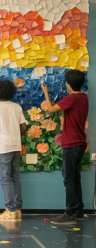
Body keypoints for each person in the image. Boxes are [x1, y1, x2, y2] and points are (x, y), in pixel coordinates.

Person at [41, 69, 89, 225]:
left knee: (69, 180)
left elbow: (51, 109)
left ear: (68, 85)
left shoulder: (72, 98)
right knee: (75, 178)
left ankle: (69, 214)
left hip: (71, 144)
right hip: (80, 143)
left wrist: (46, 93)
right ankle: (79, 211)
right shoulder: (84, 98)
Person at [0, 80, 27, 221]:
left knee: (4, 178)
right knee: (15, 177)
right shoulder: (16, 107)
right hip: (16, 146)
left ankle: (10, 210)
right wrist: (16, 137)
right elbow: (24, 127)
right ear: (11, 92)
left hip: (4, 148)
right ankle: (18, 210)